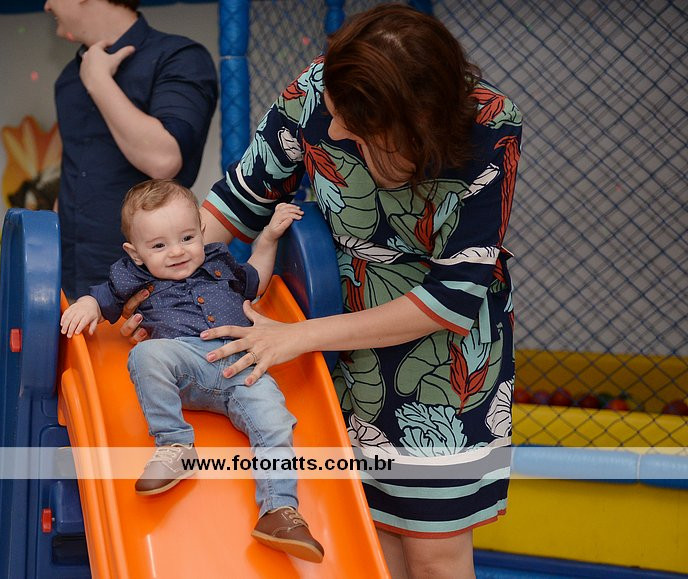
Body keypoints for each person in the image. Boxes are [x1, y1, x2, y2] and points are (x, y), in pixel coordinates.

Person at [124, 4, 522, 577]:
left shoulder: (487, 124)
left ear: (414, 128)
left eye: (352, 126)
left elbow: (454, 294)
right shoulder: (319, 90)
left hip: (442, 359)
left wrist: (299, 336)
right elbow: (237, 201)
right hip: (341, 350)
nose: (331, 132)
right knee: (368, 537)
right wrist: (162, 285)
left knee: (434, 550)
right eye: (331, 113)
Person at [60, 179, 324, 563]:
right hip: (184, 363)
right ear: (135, 254)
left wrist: (267, 239)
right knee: (147, 355)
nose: (177, 251)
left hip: (242, 365)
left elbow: (254, 282)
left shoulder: (218, 262)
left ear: (202, 231)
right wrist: (87, 304)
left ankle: (278, 510)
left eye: (187, 237)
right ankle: (176, 446)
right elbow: (104, 299)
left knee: (276, 421)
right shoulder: (133, 276)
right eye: (159, 246)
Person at [44, 0, 218, 300]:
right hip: (70, 283)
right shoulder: (68, 79)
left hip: (150, 291)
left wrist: (98, 81)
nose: (47, 5)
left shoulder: (179, 57)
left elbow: (163, 160)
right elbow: (74, 170)